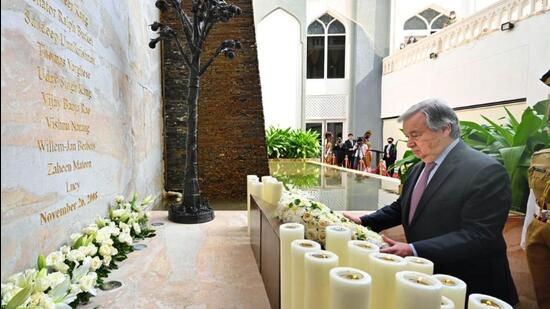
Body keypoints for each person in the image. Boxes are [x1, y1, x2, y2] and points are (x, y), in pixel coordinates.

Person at [344, 99, 518, 305]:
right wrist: (363, 222)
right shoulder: (420, 168)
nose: (409, 143)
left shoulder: (485, 171)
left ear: (445, 129)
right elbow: (402, 207)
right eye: (407, 136)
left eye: (415, 135)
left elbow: (479, 235)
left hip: (471, 286)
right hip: (429, 277)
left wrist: (414, 249)